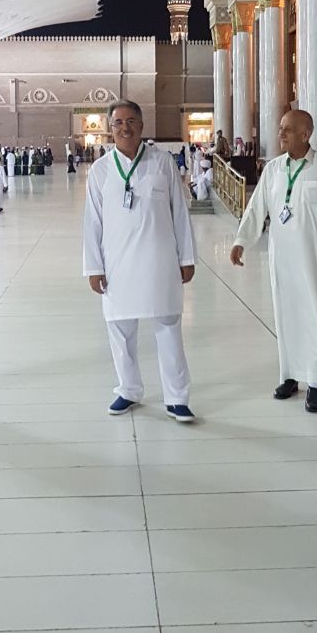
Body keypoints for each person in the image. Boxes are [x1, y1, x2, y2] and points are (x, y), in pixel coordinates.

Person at [83, 98, 197, 422]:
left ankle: (177, 397)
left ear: (142, 125)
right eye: (118, 122)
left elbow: (179, 212)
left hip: (160, 261)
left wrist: (186, 257)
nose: (125, 128)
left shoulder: (162, 163)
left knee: (168, 327)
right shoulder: (101, 170)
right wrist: (94, 267)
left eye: (131, 121)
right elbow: (92, 222)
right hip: (117, 262)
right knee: (120, 329)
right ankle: (129, 389)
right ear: (110, 128)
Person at [230, 109, 317, 413]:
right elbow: (256, 207)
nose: (280, 134)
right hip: (283, 259)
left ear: (306, 134)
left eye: (287, 129)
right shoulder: (273, 169)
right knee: (287, 317)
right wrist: (241, 241)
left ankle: (316, 383)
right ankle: (290, 375)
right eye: (280, 128)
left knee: (316, 317)